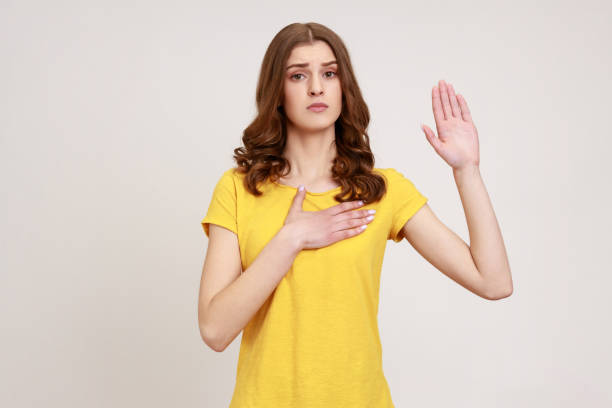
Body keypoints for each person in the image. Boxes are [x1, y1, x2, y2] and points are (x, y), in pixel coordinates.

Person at [198, 22, 513, 408]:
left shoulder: (382, 191)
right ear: (277, 93)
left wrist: (467, 171)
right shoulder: (238, 188)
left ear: (344, 88)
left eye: (329, 73)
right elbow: (214, 330)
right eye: (298, 75)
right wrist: (291, 239)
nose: (317, 87)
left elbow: (493, 282)